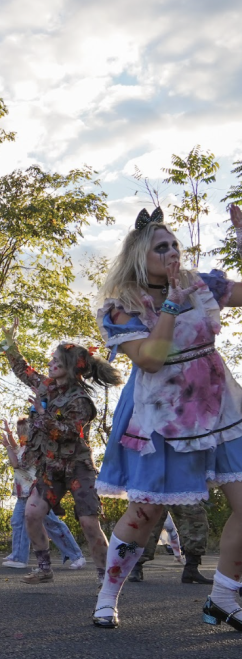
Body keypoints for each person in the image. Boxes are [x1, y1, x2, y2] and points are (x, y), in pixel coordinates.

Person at [91, 205, 242, 630]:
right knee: (146, 514)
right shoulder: (122, 306)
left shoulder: (202, 285)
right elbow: (152, 360)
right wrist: (173, 304)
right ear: (141, 255)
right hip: (163, 414)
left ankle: (224, 598)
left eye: (175, 244)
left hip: (220, 405)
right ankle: (108, 594)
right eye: (162, 247)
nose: (173, 251)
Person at [0, 323, 120, 589]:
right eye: (52, 359)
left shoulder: (81, 400)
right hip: (50, 467)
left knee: (88, 523)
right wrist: (10, 347)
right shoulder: (46, 386)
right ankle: (44, 568)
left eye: (56, 361)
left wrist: (42, 417)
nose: (51, 363)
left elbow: (68, 433)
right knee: (31, 513)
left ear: (72, 368)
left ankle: (105, 576)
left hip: (77, 467)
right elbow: (24, 372)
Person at [0, 420, 85, 570]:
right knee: (18, 522)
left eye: (21, 433)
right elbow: (17, 449)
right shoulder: (24, 447)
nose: (19, 436)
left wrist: (7, 445)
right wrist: (9, 434)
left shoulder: (33, 449)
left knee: (53, 524)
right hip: (24, 494)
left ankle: (77, 556)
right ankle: (19, 557)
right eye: (18, 433)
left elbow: (17, 463)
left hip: (36, 494)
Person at [128, 503, 212, 584]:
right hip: (158, 489)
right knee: (149, 517)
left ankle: (191, 569)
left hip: (183, 489)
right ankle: (136, 566)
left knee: (195, 519)